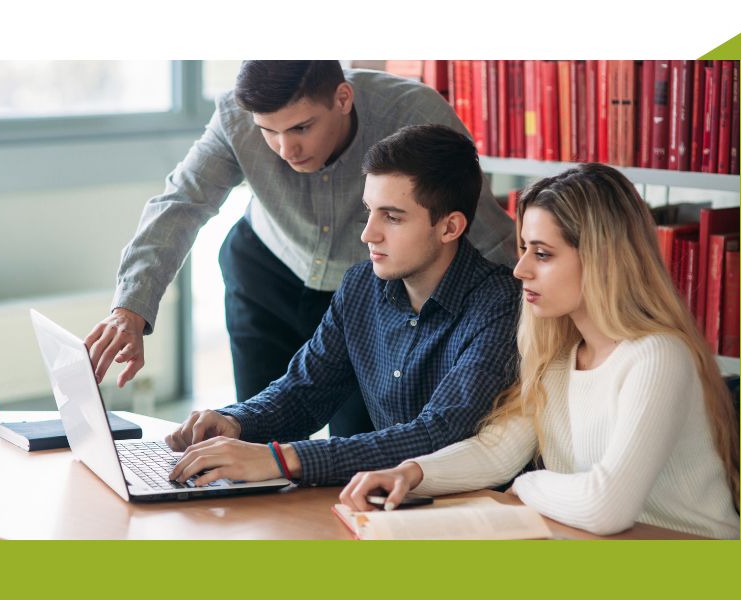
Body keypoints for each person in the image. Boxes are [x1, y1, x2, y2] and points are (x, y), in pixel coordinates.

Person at [83, 61, 516, 438]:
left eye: (301, 127)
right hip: (265, 274)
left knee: (361, 443)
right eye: (268, 132)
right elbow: (181, 203)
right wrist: (131, 309)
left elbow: (480, 226)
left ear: (342, 98)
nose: (285, 149)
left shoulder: (412, 113)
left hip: (365, 294)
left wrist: (531, 320)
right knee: (251, 427)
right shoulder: (235, 116)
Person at [339, 163, 740, 539]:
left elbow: (606, 507)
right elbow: (497, 451)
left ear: (603, 261)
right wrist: (409, 474)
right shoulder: (560, 359)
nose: (520, 270)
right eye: (524, 249)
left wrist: (527, 483)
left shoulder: (657, 356)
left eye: (543, 254)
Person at [165, 124, 520, 487]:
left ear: (450, 228)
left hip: (475, 514)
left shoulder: (501, 306)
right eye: (369, 211)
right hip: (387, 504)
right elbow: (304, 391)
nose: (369, 233)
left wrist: (282, 459)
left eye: (393, 217)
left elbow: (437, 436)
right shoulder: (361, 286)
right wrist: (236, 421)